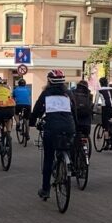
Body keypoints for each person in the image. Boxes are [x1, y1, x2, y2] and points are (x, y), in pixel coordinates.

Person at [29, 69, 77, 200]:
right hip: (69, 127)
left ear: (49, 81)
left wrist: (32, 122)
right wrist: (75, 127)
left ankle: (45, 189)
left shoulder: (46, 93)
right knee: (66, 147)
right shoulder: (68, 93)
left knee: (48, 159)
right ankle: (68, 165)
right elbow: (74, 111)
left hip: (51, 128)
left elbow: (37, 109)